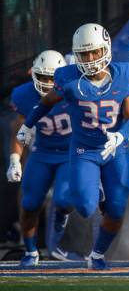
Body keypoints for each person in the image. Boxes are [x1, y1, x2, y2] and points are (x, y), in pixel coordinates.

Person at [18, 24, 129, 270]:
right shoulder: (67, 77)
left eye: (95, 52)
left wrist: (121, 136)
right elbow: (47, 101)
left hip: (115, 149)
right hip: (84, 149)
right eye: (84, 54)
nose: (91, 58)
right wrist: (28, 124)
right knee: (84, 206)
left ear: (105, 49)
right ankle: (97, 191)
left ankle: (98, 254)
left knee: (116, 209)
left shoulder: (124, 73)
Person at [6, 50, 74, 266]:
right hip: (42, 152)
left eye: (52, 78)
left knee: (64, 200)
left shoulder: (74, 90)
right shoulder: (24, 95)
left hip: (70, 153)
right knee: (29, 203)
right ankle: (31, 250)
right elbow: (19, 129)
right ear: (32, 73)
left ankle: (59, 230)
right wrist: (15, 159)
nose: (47, 82)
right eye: (42, 76)